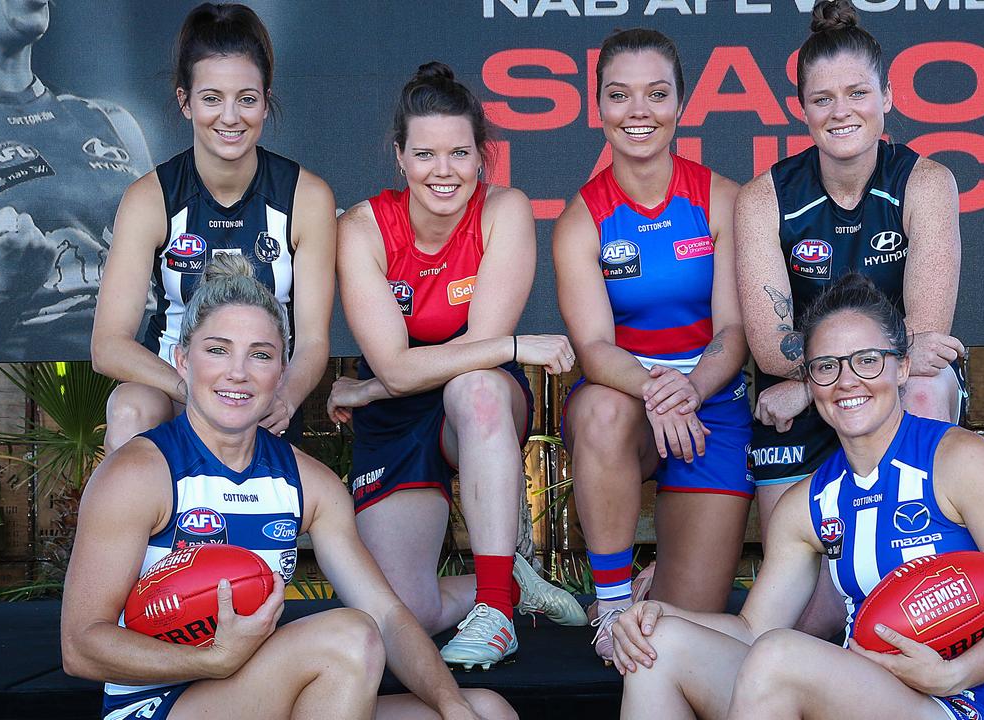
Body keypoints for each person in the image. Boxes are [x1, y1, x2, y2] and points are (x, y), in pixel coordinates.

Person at [61, 254, 515, 720]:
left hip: (262, 691)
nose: (238, 372)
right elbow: (80, 647)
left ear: (281, 372)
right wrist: (210, 660)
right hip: (159, 705)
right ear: (182, 360)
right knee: (348, 639)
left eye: (260, 354)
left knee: (488, 711)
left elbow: (388, 617)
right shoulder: (138, 473)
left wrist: (452, 705)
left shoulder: (308, 482)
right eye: (217, 350)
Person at [608, 272, 984, 720]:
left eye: (867, 360)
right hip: (854, 696)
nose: (847, 381)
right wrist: (660, 613)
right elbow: (753, 630)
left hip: (949, 703)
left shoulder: (961, 461)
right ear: (811, 383)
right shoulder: (808, 502)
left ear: (902, 365)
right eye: (827, 367)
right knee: (658, 646)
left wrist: (954, 673)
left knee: (780, 657)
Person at [330, 62, 585, 669]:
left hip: (475, 406)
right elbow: (397, 370)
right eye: (425, 154)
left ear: (482, 157)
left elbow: (478, 350)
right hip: (396, 415)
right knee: (403, 614)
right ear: (400, 156)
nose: (443, 172)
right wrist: (516, 348)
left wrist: (377, 385)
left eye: (459, 154)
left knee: (475, 388)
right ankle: (516, 587)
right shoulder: (362, 227)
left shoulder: (506, 209)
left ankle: (496, 610)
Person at [735, 0, 965, 636]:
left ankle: (922, 611)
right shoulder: (764, 199)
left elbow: (921, 345)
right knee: (796, 625)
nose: (841, 111)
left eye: (858, 92)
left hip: (867, 396)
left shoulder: (926, 183)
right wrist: (816, 377)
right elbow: (774, 349)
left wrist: (807, 384)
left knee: (922, 383)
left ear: (887, 95)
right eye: (822, 98)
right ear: (800, 108)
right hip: (801, 404)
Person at [552, 29, 751, 663]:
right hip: (628, 398)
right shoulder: (581, 218)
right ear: (599, 107)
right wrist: (658, 391)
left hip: (711, 404)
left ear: (682, 104)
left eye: (656, 94)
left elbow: (734, 333)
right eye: (620, 95)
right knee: (600, 410)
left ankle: (650, 590)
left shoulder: (721, 198)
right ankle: (611, 604)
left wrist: (689, 389)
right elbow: (593, 349)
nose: (639, 111)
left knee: (682, 630)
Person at [92, 2, 334, 452]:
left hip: (261, 395)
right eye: (211, 98)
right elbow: (108, 344)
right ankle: (125, 518)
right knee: (129, 407)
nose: (229, 116)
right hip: (174, 387)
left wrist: (284, 398)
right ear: (185, 101)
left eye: (246, 98)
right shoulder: (150, 197)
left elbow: (315, 339)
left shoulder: (308, 197)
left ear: (265, 100)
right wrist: (195, 394)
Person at [0, 0, 152, 362]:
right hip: (43, 391)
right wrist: (4, 290)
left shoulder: (112, 122)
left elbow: (178, 277)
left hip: (156, 378)